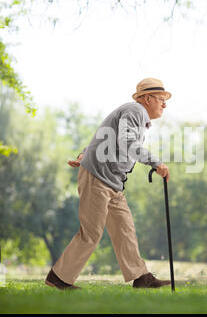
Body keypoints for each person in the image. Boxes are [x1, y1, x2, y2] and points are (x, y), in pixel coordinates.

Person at [45, 78, 172, 290]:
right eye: (161, 99)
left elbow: (107, 135)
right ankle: (59, 278)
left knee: (125, 228)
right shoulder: (135, 110)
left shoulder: (135, 115)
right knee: (91, 232)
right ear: (147, 98)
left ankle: (141, 277)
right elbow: (127, 142)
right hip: (98, 177)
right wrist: (155, 162)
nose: (165, 104)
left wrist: (86, 152)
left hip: (112, 182)